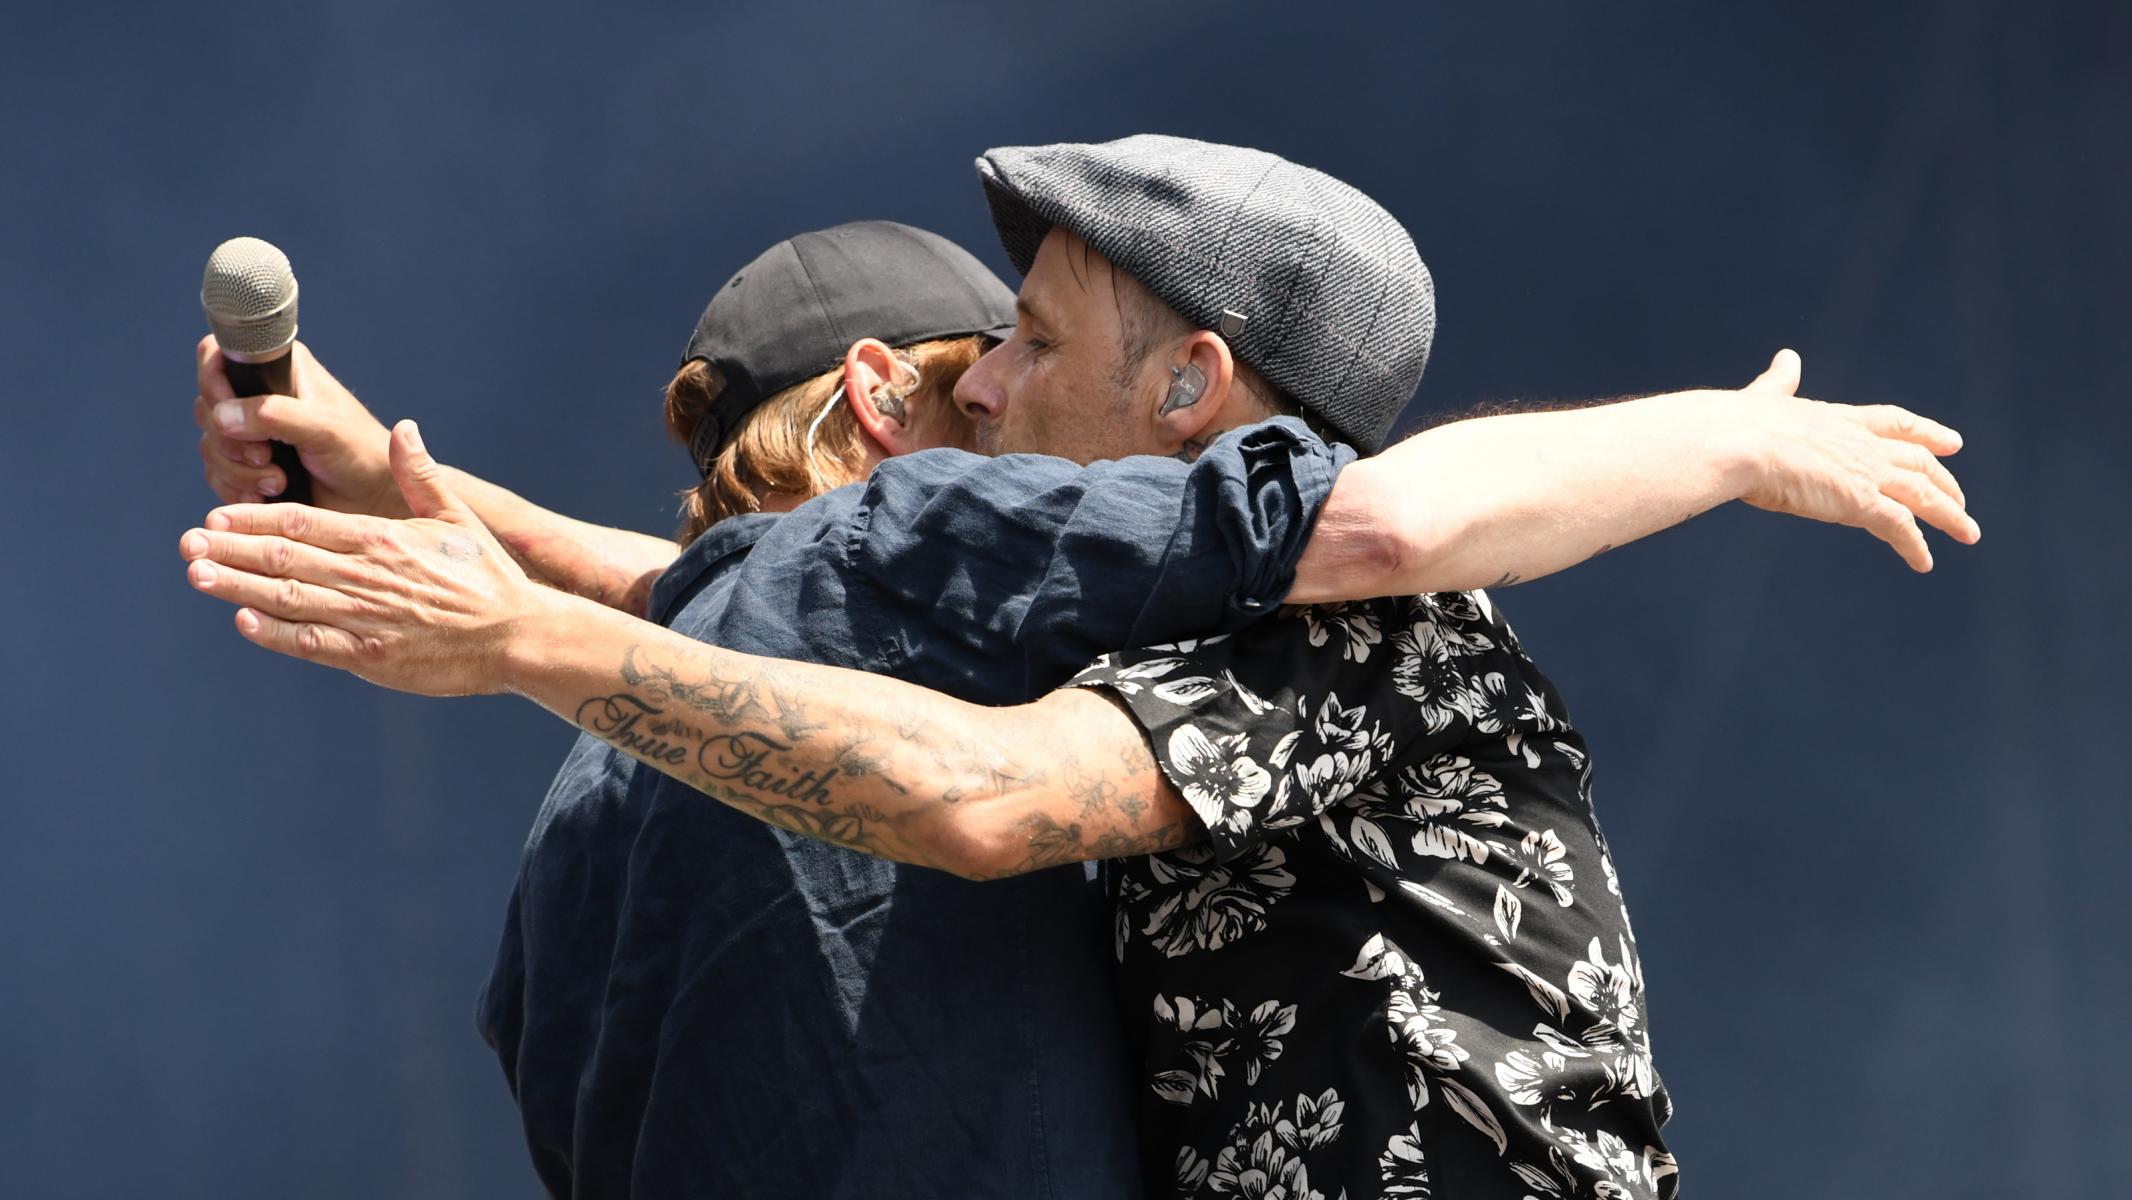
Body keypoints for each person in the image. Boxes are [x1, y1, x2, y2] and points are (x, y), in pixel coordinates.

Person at [184, 136, 1978, 1198]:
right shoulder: (1004, 597)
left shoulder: (1339, 622)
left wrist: (1734, 436)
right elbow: (757, 599)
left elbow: (976, 772)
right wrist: (418, 496)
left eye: (1030, 344)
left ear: (1191, 388)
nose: (981, 388)